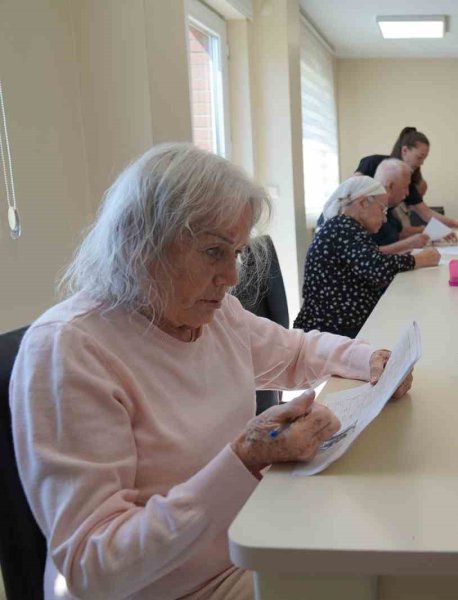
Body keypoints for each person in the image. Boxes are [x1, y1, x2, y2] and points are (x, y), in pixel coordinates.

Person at [10, 143, 416, 600]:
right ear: (143, 244)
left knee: (398, 551)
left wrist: (370, 359)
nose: (231, 277)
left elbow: (296, 352)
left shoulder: (212, 313)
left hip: (247, 544)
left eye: (236, 252)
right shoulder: (69, 349)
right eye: (212, 252)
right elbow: (96, 566)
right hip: (167, 588)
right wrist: (245, 457)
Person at [296, 176, 440, 337]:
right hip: (332, 331)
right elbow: (377, 269)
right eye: (382, 209)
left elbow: (371, 261)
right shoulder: (342, 227)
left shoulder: (345, 226)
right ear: (363, 202)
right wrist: (418, 260)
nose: (385, 218)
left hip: (340, 323)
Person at [355, 126, 458, 234]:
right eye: (419, 157)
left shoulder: (409, 182)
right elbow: (350, 191)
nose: (421, 163)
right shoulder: (371, 162)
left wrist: (457, 223)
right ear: (405, 150)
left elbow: (427, 213)